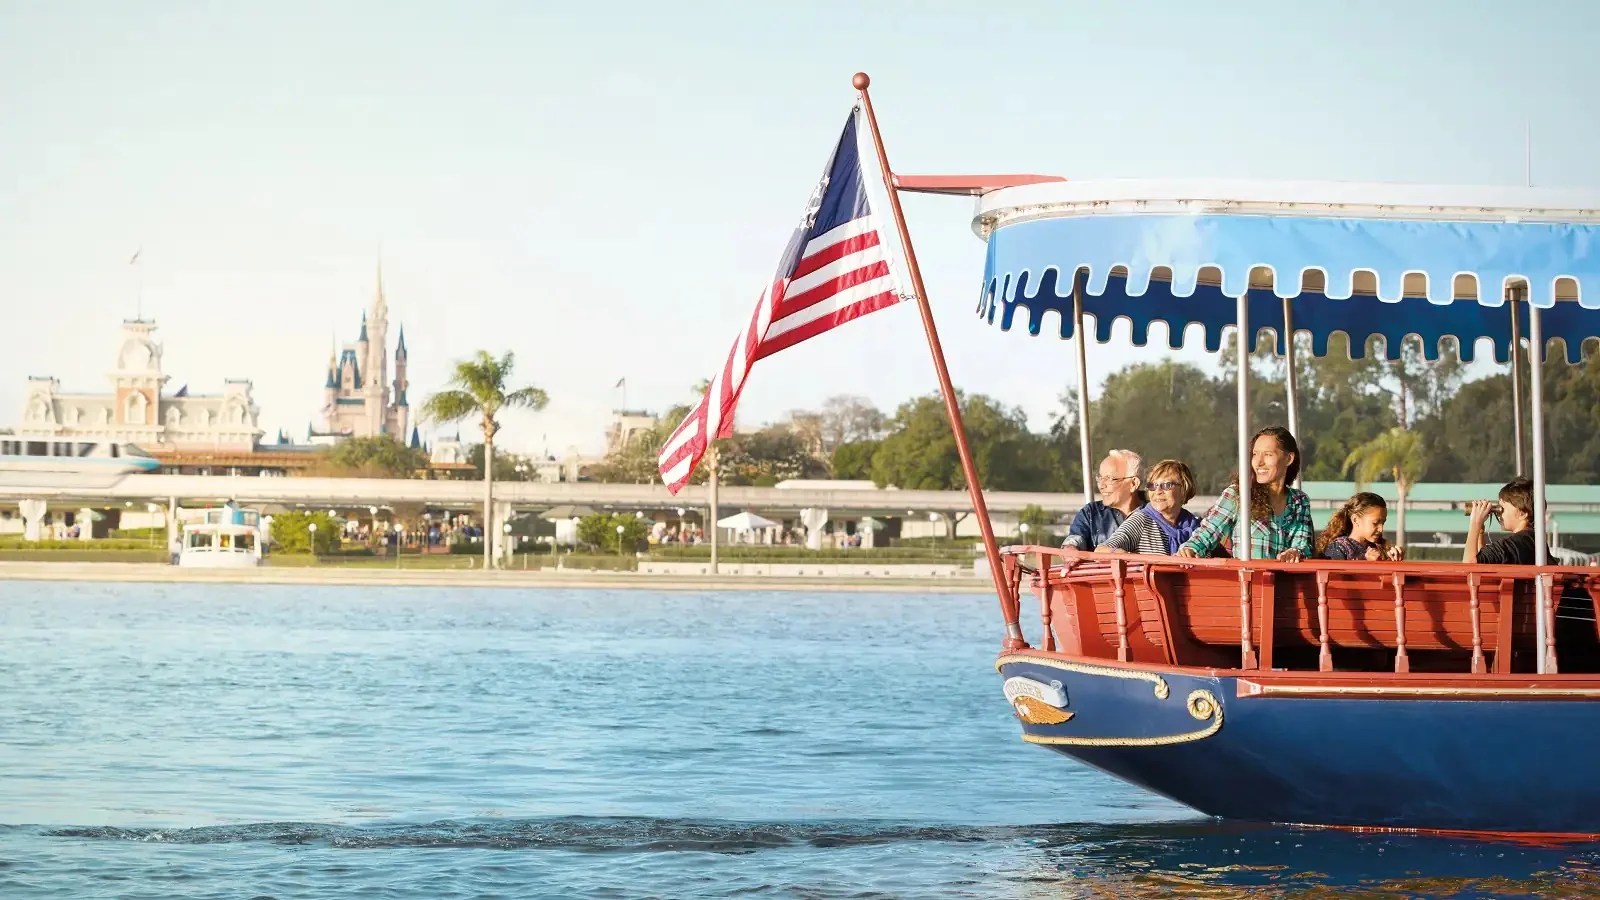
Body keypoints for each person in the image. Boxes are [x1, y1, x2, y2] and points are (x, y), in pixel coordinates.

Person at [1179, 426, 1314, 562]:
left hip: (1286, 581)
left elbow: (1303, 544)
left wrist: (1295, 552)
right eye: (1255, 454)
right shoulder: (1238, 494)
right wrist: (1190, 549)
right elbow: (1207, 533)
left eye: (1268, 454)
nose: (1259, 462)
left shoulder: (1299, 501)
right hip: (1249, 580)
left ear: (1289, 458)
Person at [1097, 459, 1200, 555]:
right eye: (1152, 486)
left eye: (1166, 485)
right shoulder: (1141, 520)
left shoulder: (1198, 527)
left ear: (1184, 489)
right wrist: (1130, 559)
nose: (1157, 491)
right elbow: (1102, 550)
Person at [1064, 449, 1148, 550]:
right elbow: (1074, 541)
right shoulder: (1091, 513)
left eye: (1109, 478)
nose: (1101, 485)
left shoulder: (1156, 514)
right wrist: (1070, 549)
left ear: (1133, 483)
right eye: (1100, 478)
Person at [1463, 477, 1536, 565]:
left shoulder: (1514, 544)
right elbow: (1483, 561)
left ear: (1523, 514)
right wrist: (1480, 531)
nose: (1498, 513)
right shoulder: (1530, 540)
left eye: (1502, 508)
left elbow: (1469, 564)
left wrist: (1475, 524)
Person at [1316, 491, 1403, 561]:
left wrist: (1393, 560)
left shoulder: (1380, 548)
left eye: (1383, 523)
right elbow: (1336, 579)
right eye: (1375, 523)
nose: (1381, 529)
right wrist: (1366, 562)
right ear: (1355, 520)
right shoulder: (1339, 548)